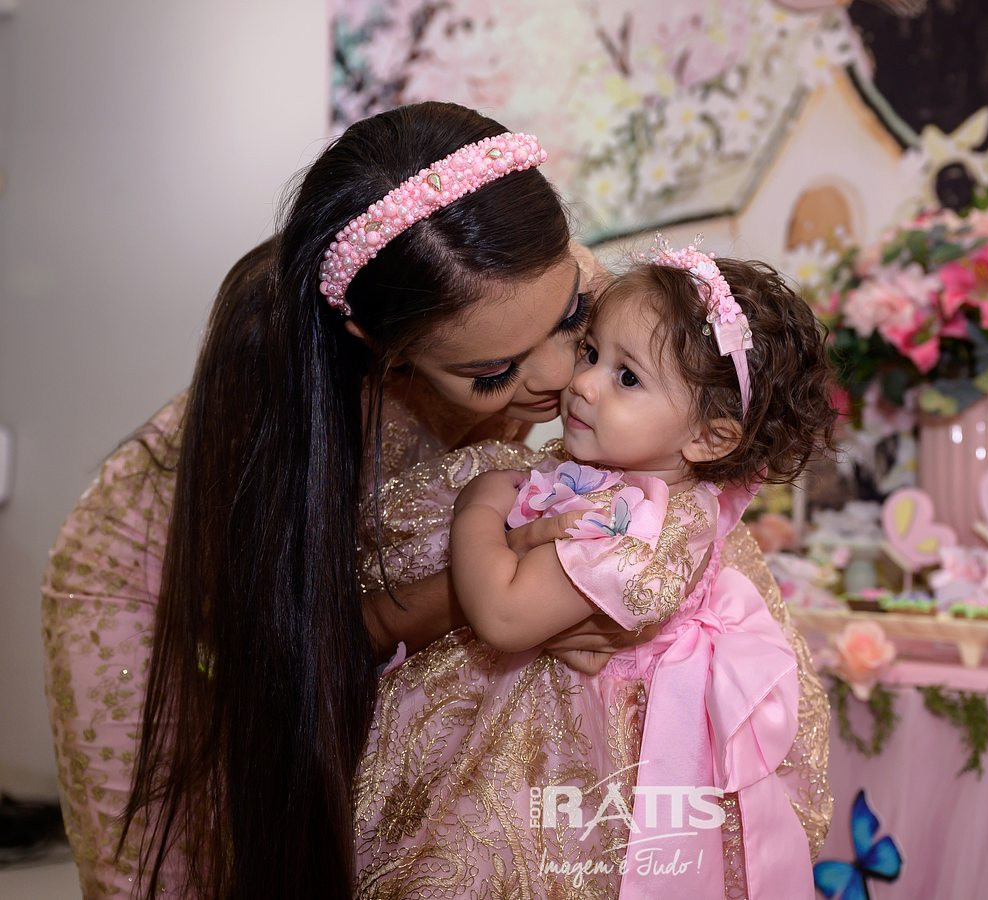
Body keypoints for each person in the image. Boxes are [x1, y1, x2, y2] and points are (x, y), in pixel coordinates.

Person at [41, 101, 829, 899]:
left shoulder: (563, 284)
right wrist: (502, 589)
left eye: (574, 324)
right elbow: (321, 630)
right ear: (385, 352)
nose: (566, 377)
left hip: (437, 570)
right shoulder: (306, 408)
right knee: (179, 863)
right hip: (154, 577)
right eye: (495, 373)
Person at [351, 245, 835, 897]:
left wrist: (479, 507)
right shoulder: (653, 482)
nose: (580, 382)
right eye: (591, 352)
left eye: (626, 377)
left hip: (557, 746)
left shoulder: (629, 520)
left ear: (709, 439)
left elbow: (502, 616)